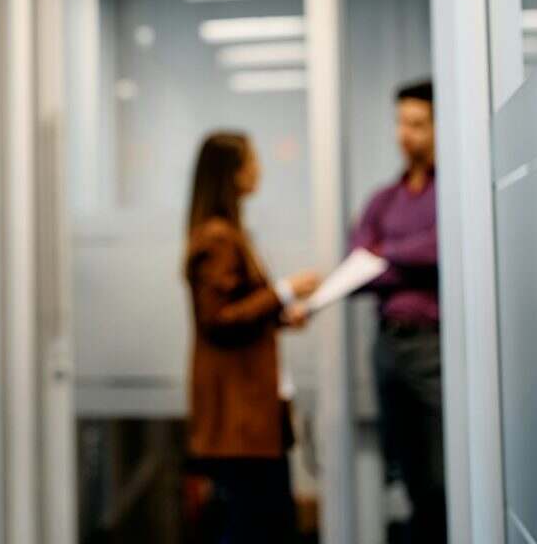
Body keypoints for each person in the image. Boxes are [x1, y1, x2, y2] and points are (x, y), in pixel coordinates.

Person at [184, 131, 319, 544]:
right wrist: (283, 292)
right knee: (254, 524)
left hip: (256, 410)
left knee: (265, 520)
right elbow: (217, 319)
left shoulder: (231, 233)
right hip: (240, 414)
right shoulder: (217, 237)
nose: (259, 169)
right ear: (231, 174)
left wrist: (279, 315)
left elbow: (241, 311)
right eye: (251, 161)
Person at [352, 79, 444, 543]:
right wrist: (405, 260)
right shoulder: (383, 201)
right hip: (388, 344)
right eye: (400, 123)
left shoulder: (450, 194)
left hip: (434, 346)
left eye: (417, 124)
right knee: (407, 470)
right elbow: (357, 267)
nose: (404, 134)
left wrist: (386, 254)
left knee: (441, 476)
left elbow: (442, 249)